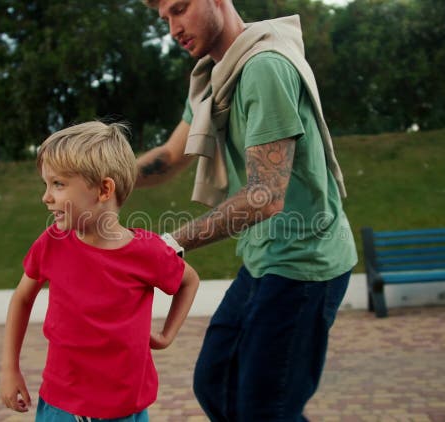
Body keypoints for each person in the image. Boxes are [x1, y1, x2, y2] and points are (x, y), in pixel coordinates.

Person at [135, 0, 358, 420]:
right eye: (165, 18)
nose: (172, 29)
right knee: (216, 383)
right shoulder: (211, 77)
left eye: (180, 9)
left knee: (265, 409)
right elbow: (170, 154)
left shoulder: (263, 67)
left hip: (305, 263)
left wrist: (168, 244)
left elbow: (265, 195)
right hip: (264, 258)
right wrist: (101, 182)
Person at [0, 121, 200, 421]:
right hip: (61, 405)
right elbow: (21, 299)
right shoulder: (51, 243)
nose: (46, 196)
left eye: (58, 184)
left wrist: (166, 335)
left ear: (104, 189)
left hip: (125, 409)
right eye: (46, 184)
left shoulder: (148, 251)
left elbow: (189, 281)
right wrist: (9, 368)